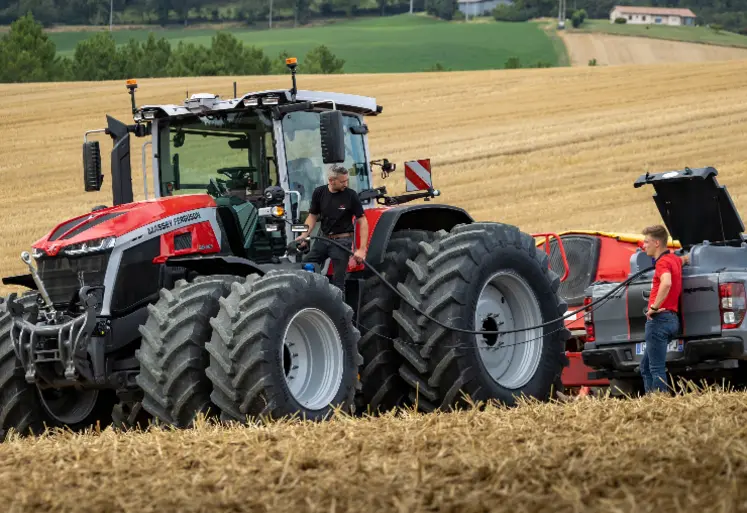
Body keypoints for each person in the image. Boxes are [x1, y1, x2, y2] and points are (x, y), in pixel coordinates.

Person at [296, 165, 368, 296]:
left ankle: (342, 314)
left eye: (347, 180)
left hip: (342, 241)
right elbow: (312, 216)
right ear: (331, 180)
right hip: (323, 239)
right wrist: (304, 235)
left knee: (338, 281)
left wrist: (362, 249)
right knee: (306, 265)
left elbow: (362, 220)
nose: (346, 184)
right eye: (342, 181)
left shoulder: (351, 195)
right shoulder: (319, 193)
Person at [639, 224, 685, 395]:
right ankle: (651, 401)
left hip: (659, 320)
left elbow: (666, 283)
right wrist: (687, 258)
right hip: (672, 319)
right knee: (644, 367)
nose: (644, 246)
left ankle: (661, 402)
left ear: (657, 243)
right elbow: (683, 260)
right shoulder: (673, 259)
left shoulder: (662, 263)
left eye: (646, 242)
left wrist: (653, 307)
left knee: (656, 367)